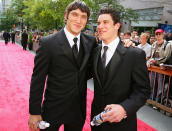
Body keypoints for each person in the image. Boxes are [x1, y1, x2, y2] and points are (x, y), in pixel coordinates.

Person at [28, 1, 97, 131]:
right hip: (53, 108)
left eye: (83, 16)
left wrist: (127, 46)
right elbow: (38, 79)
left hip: (78, 110)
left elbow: (98, 63)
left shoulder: (91, 42)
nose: (79, 20)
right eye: (75, 15)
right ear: (66, 16)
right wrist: (34, 112)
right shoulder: (48, 43)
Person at [91, 8, 150, 131]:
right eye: (98, 23)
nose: (100, 26)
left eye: (105, 22)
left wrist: (124, 108)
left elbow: (143, 90)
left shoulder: (134, 54)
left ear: (117, 25)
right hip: (97, 120)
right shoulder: (95, 51)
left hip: (122, 124)